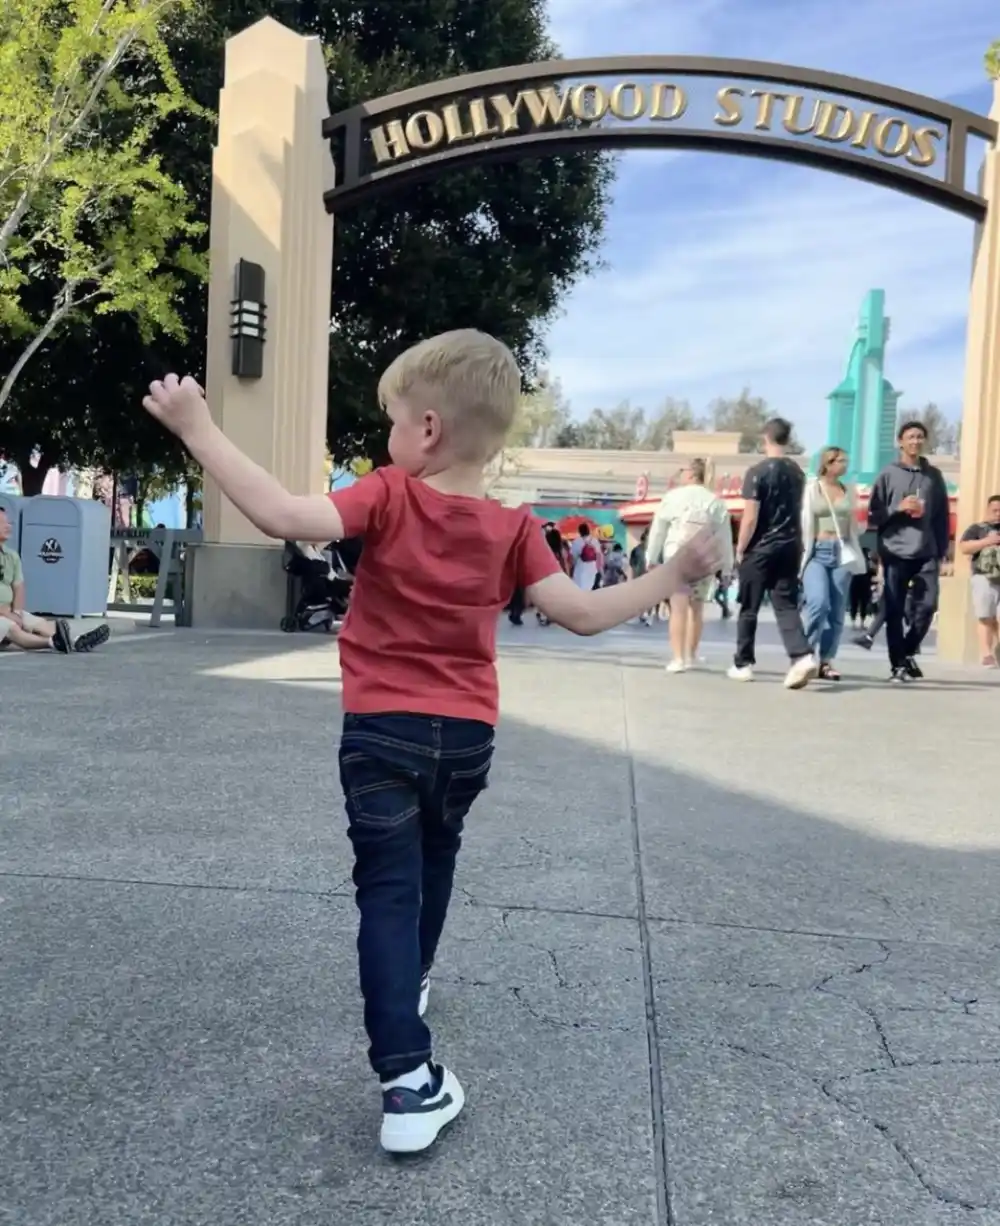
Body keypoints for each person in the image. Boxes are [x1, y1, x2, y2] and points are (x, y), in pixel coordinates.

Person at [140, 331, 722, 1155]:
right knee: (437, 855)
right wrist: (672, 575)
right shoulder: (516, 529)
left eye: (389, 424)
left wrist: (198, 425)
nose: (385, 441)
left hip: (381, 730)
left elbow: (281, 514)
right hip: (467, 738)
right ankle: (409, 982)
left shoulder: (387, 495)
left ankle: (409, 1080)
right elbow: (583, 615)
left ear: (425, 430)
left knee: (386, 888)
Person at [729, 418, 818, 689]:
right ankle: (801, 655)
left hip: (761, 548)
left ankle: (743, 663)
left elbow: (750, 517)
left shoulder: (756, 472)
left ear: (765, 438)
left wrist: (740, 547)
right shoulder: (798, 473)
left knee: (749, 607)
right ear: (787, 439)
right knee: (785, 604)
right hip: (790, 545)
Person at [868, 420, 950, 683]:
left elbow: (941, 515)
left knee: (928, 605)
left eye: (919, 437)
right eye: (910, 437)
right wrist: (898, 509)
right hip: (895, 550)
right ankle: (898, 665)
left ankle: (907, 648)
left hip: (926, 550)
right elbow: (874, 515)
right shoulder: (888, 474)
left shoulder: (933, 475)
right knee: (894, 610)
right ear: (900, 442)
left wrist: (943, 550)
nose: (915, 441)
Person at [647, 458, 733, 672]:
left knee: (678, 609)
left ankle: (678, 659)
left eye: (683, 470)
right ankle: (691, 655)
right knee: (696, 609)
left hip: (677, 557)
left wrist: (651, 557)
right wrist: (727, 567)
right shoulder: (715, 502)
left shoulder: (672, 497)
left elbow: (658, 529)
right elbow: (724, 537)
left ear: (692, 474)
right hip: (703, 561)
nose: (681, 474)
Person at [0, 510, 109, 655]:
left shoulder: (11, 556)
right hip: (3, 613)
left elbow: (18, 587)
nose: (8, 526)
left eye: (8, 522)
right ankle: (53, 642)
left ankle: (76, 641)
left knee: (39, 624)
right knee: (12, 629)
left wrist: (17, 613)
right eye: (2, 523)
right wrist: (7, 614)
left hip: (8, 611)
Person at [800, 447, 866, 681]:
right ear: (827, 463)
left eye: (846, 461)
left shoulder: (849, 490)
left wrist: (860, 522)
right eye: (840, 461)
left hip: (842, 552)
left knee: (837, 611)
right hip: (816, 551)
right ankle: (804, 656)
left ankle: (826, 661)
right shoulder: (811, 489)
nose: (844, 465)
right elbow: (803, 520)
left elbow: (856, 525)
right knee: (818, 603)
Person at [958, 493, 1000, 667]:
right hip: (983, 577)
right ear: (988, 510)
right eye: (995, 510)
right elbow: (964, 547)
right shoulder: (977, 528)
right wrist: (987, 541)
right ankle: (987, 654)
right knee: (985, 616)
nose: (998, 514)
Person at [629, 528, 654, 625]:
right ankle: (640, 615)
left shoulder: (654, 550)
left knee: (651, 598)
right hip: (639, 576)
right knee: (640, 598)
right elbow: (632, 563)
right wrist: (635, 575)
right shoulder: (636, 550)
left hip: (651, 576)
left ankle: (649, 616)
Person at [570, 522, 601, 591]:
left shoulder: (577, 542)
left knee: (581, 589)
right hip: (593, 568)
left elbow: (573, 558)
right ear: (588, 531)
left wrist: (572, 567)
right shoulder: (595, 541)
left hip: (581, 569)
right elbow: (598, 555)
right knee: (592, 589)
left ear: (580, 531)